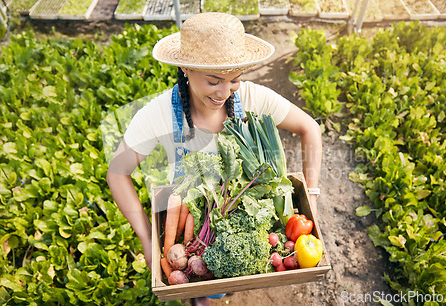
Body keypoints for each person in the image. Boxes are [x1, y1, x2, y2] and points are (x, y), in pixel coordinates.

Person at [106, 12, 322, 306]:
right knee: (199, 276)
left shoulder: (252, 97)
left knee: (228, 273)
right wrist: (148, 242)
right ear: (185, 68)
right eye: (214, 81)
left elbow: (310, 128)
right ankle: (201, 294)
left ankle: (218, 289)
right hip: (189, 217)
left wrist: (314, 198)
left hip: (245, 212)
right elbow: (117, 172)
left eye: (235, 80)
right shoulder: (159, 114)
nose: (224, 92)